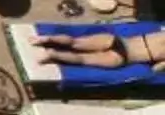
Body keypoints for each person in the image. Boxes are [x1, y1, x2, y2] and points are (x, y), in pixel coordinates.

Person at [35, 26, 165, 68]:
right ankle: (53, 54)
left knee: (75, 42)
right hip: (124, 57)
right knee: (82, 59)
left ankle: (47, 38)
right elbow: (155, 69)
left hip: (119, 41)